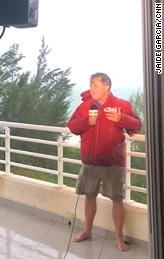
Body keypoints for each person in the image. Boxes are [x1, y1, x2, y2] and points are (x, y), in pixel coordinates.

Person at [67, 72, 141, 252]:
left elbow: (136, 125)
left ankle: (119, 239)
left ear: (106, 86)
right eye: (90, 85)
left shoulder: (121, 105)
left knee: (117, 199)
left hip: (113, 162)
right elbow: (72, 126)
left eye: (95, 85)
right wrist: (87, 121)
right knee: (89, 196)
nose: (91, 88)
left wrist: (120, 118)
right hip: (90, 162)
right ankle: (87, 231)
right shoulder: (85, 106)